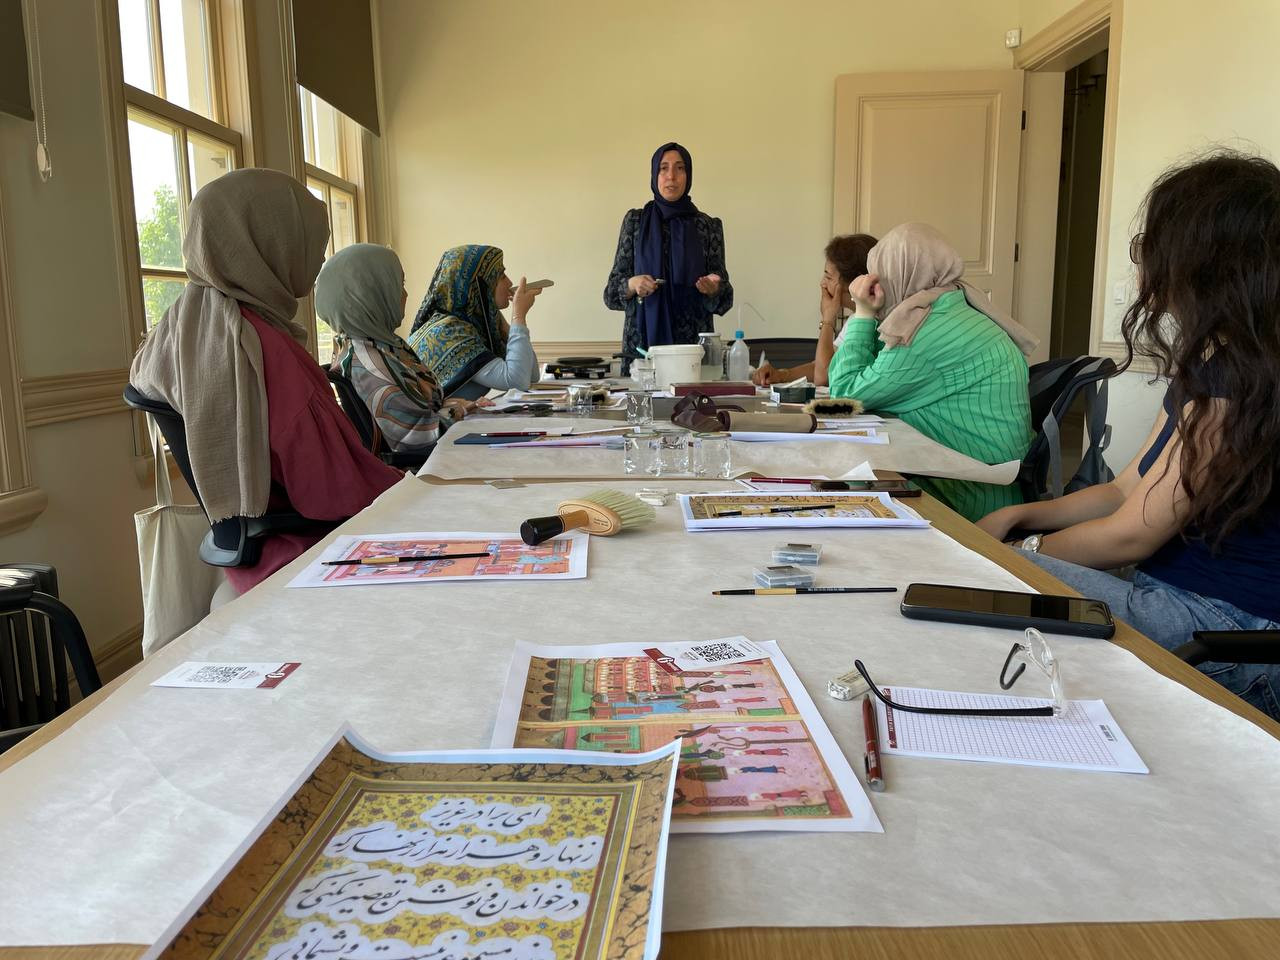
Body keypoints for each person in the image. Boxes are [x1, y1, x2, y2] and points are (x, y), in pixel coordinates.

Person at [977, 152, 1280, 719]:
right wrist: (1022, 515)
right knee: (977, 577)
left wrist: (1019, 552)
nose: (1142, 263)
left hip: (1227, 632)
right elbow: (1125, 489)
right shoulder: (1215, 366)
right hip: (1192, 607)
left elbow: (1129, 537)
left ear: (1202, 263)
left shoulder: (1236, 383)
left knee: (977, 583)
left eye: (1149, 247)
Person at [130, 169, 403, 595]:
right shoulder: (262, 347)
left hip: (247, 558)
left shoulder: (177, 329)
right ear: (271, 244)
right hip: (309, 552)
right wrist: (414, 487)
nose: (318, 261)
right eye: (311, 245)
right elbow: (336, 492)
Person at [827, 223, 1037, 521]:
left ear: (899, 276)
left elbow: (842, 397)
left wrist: (862, 313)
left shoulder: (926, 332)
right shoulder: (946, 310)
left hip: (971, 495)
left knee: (839, 495)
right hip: (980, 481)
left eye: (878, 275)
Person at [317, 244, 483, 456]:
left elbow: (424, 409)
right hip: (424, 468)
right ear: (372, 294)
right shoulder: (368, 362)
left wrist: (460, 406)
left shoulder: (379, 344)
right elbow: (416, 439)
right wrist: (462, 411)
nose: (405, 294)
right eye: (398, 285)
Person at [604, 141, 732, 371]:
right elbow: (611, 294)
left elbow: (725, 297)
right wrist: (633, 284)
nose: (671, 176)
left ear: (688, 175)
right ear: (655, 174)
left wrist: (714, 289)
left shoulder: (708, 226)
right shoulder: (635, 222)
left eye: (680, 168)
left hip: (693, 351)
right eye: (663, 168)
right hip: (643, 349)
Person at [408, 244, 543, 400]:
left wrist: (505, 325)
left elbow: (531, 375)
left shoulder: (476, 325)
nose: (510, 282)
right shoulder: (450, 331)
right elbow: (517, 381)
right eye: (501, 276)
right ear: (477, 286)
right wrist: (518, 316)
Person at [752, 233, 877, 386]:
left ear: (855, 282)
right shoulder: (855, 319)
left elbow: (823, 376)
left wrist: (828, 319)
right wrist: (781, 375)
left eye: (829, 278)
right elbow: (820, 365)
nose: (822, 283)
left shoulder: (870, 322)